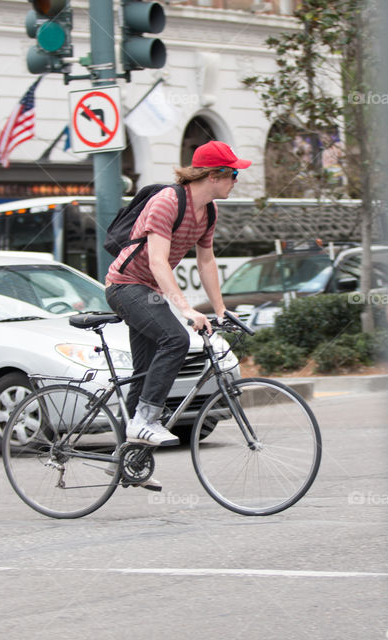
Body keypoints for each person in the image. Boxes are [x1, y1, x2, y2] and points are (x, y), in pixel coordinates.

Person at [105, 141, 250, 487]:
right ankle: (145, 420)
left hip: (149, 291)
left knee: (143, 375)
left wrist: (220, 310)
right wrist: (186, 310)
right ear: (213, 175)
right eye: (232, 174)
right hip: (125, 286)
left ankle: (127, 461)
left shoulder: (209, 211)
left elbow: (206, 260)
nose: (236, 180)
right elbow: (157, 261)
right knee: (175, 339)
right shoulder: (167, 202)